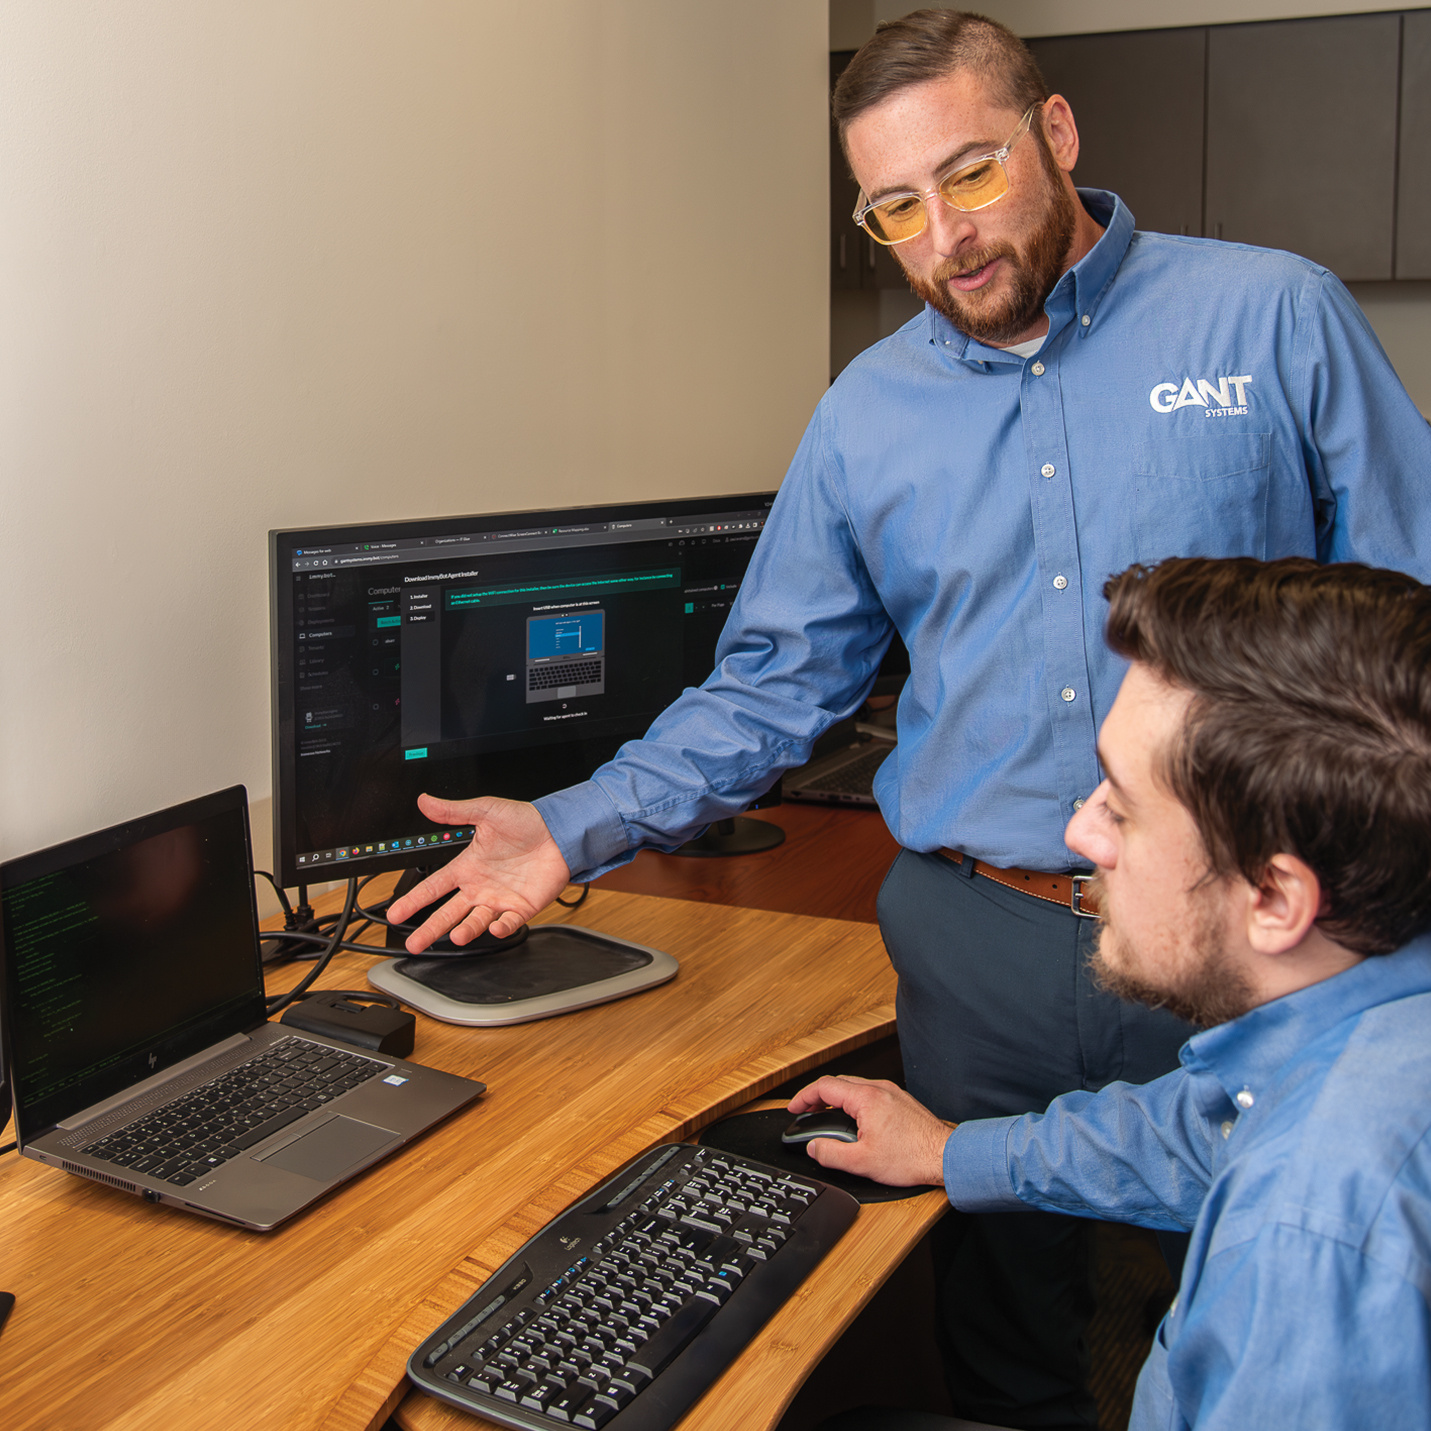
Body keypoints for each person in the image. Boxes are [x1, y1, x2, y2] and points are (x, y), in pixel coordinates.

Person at [388, 12, 1431, 1426]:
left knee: (1289, 1265)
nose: (943, 235)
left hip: (1253, 925)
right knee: (1002, 1312)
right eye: (893, 206)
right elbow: (772, 683)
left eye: (971, 174)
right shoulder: (862, 414)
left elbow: (1406, 634)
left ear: (1054, 137)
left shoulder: (1267, 315)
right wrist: (571, 828)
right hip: (981, 936)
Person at [791, 555, 1431, 1431]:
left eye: (1121, 807)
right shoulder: (1359, 1029)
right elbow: (1201, 1131)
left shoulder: (1310, 1228)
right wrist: (948, 1150)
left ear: (1276, 898)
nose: (1078, 831)